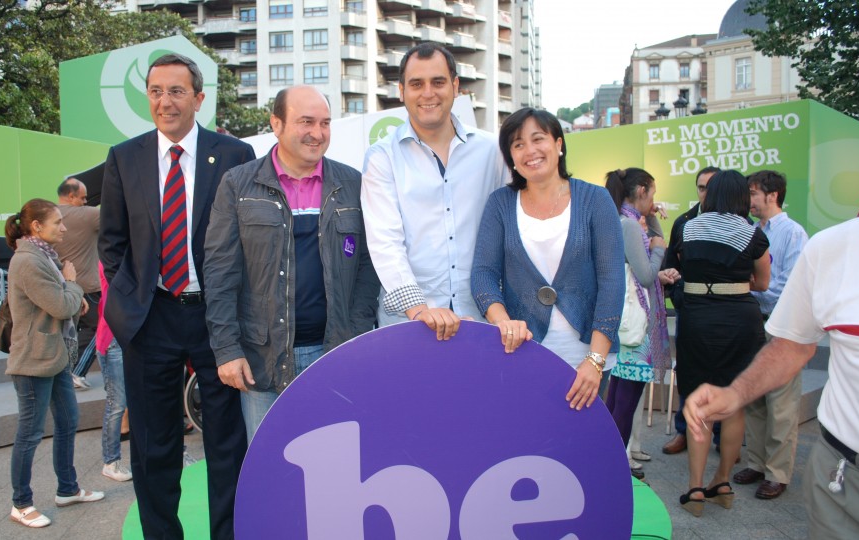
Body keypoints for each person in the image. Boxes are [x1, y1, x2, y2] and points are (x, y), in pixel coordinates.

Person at [99, 53, 254, 539]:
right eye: (156, 91)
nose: (165, 101)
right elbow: (112, 243)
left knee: (228, 442)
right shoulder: (124, 157)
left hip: (217, 318)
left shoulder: (233, 155)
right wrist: (129, 306)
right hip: (152, 319)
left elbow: (248, 240)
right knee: (153, 444)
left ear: (199, 98)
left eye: (177, 91)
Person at [204, 85, 380, 443]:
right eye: (305, 122)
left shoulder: (352, 184)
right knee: (272, 472)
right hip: (262, 360)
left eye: (325, 123)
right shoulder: (238, 185)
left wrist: (355, 337)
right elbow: (220, 273)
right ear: (277, 124)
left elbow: (367, 268)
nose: (317, 133)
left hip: (333, 356)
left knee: (335, 468)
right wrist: (227, 349)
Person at [685, 206, 859, 537]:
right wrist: (736, 392)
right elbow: (793, 347)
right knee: (754, 410)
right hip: (845, 472)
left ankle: (769, 473)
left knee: (779, 411)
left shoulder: (789, 233)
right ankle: (750, 469)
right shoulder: (832, 246)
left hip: (722, 321)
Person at [470, 107, 624, 411]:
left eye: (538, 139)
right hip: (521, 354)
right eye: (518, 144)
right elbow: (483, 274)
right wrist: (503, 323)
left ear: (558, 144)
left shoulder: (596, 200)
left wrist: (595, 360)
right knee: (525, 450)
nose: (530, 151)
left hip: (587, 359)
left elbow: (612, 282)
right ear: (510, 157)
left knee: (582, 451)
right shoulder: (500, 204)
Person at [361, 42, 510, 340]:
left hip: (481, 318)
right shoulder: (381, 157)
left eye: (438, 82)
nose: (428, 93)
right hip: (410, 324)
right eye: (417, 84)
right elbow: (385, 243)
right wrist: (420, 310)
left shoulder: (493, 150)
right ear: (401, 91)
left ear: (455, 86)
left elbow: (512, 228)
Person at [674, 169, 770, 516]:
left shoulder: (688, 227)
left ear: (710, 194)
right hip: (741, 322)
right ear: (742, 198)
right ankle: (723, 480)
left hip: (698, 319)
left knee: (700, 403)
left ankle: (695, 488)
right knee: (734, 402)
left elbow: (687, 268)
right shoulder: (752, 234)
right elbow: (762, 283)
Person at [4, 198, 103, 528]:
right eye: (58, 222)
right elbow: (61, 305)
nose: (64, 227)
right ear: (36, 227)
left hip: (54, 356)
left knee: (67, 421)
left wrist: (70, 294)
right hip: (34, 361)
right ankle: (21, 504)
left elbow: (60, 303)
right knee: (30, 434)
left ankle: (68, 489)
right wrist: (72, 284)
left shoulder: (44, 257)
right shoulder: (29, 261)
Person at [732, 170, 808, 499]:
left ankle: (778, 472)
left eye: (753, 194)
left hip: (784, 326)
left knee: (781, 403)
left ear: (773, 195)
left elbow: (789, 285)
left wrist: (751, 287)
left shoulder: (793, 233)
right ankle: (758, 462)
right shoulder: (751, 231)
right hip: (753, 322)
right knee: (755, 399)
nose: (749, 201)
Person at [602, 168, 676, 478]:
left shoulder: (618, 218)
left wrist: (655, 219)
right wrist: (659, 251)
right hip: (634, 326)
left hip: (623, 321)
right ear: (642, 190)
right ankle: (614, 467)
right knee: (626, 400)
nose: (654, 201)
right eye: (653, 194)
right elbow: (646, 275)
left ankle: (606, 459)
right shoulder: (630, 226)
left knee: (617, 395)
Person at [661, 166, 720, 455]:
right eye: (700, 187)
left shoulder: (739, 223)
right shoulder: (684, 222)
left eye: (711, 187)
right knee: (687, 371)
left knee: (723, 374)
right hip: (690, 311)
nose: (705, 192)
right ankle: (684, 431)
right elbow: (669, 265)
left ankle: (722, 437)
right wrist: (679, 296)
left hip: (724, 313)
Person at [54, 178, 100, 390]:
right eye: (82, 198)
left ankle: (66, 372)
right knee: (101, 329)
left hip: (59, 286)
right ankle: (75, 371)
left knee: (71, 333)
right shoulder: (89, 215)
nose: (85, 201)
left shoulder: (48, 215)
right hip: (87, 288)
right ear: (70, 196)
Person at [94, 262, 131, 482]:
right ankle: (110, 461)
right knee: (117, 404)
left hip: (123, 338)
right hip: (112, 340)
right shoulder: (111, 261)